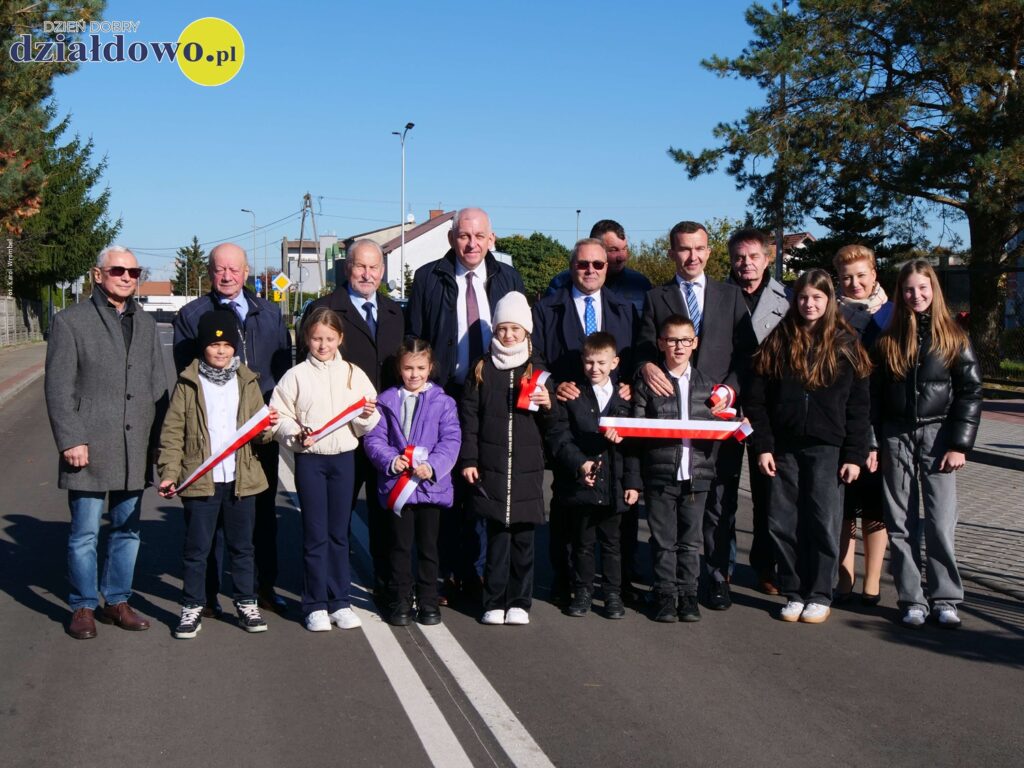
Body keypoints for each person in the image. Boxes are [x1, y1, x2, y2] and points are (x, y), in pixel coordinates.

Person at [45, 245, 169, 640]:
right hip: (89, 445)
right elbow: (58, 388)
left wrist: (158, 440)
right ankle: (83, 605)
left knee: (127, 529)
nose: (127, 277)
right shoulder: (71, 321)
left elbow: (156, 385)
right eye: (118, 270)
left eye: (134, 272)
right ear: (98, 275)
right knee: (85, 533)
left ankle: (116, 600)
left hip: (135, 445)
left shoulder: (145, 323)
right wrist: (71, 439)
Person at [406, 207, 526, 602]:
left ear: (492, 239)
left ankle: (476, 572)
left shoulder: (508, 278)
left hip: (493, 396)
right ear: (451, 239)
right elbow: (415, 338)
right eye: (463, 236)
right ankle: (442, 572)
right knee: (442, 485)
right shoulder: (428, 277)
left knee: (483, 483)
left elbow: (524, 337)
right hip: (445, 394)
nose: (471, 244)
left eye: (479, 236)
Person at [744, 269, 872, 624]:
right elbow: (756, 401)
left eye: (817, 297)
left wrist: (854, 455)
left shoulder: (846, 344)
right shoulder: (777, 341)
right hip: (783, 448)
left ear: (829, 301)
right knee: (782, 521)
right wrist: (763, 446)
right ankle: (794, 591)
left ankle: (819, 593)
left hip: (828, 448)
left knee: (822, 521)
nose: (809, 304)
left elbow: (859, 406)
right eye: (803, 297)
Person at [636, 221, 750, 609]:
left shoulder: (731, 296)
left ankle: (716, 577)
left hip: (718, 414)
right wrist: (645, 366)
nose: (692, 256)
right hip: (671, 416)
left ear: (709, 252)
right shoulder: (656, 298)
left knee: (718, 503)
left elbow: (746, 354)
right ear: (672, 253)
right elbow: (643, 346)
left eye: (699, 248)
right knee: (670, 509)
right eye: (684, 249)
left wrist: (730, 389)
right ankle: (669, 584)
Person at [173, 242, 292, 615]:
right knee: (209, 522)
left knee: (261, 515)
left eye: (234, 269)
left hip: (258, 435)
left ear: (246, 271)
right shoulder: (192, 315)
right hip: (210, 439)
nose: (227, 276)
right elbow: (185, 376)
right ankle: (207, 596)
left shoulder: (269, 313)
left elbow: (283, 371)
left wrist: (273, 416)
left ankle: (261, 589)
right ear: (210, 272)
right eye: (219, 269)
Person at [873, 259, 982, 629]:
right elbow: (873, 395)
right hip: (896, 435)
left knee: (939, 522)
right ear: (900, 293)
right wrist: (872, 442)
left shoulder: (954, 336)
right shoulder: (887, 339)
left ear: (933, 290)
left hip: (939, 437)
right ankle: (911, 599)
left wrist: (960, 444)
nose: (916, 295)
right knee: (900, 522)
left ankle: (945, 598)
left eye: (922, 288)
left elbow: (970, 391)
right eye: (908, 289)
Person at [157, 310, 279, 638]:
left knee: (243, 547)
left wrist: (268, 427)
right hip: (201, 479)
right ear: (203, 347)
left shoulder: (247, 381)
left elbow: (261, 433)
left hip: (241, 479)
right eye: (214, 344)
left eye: (226, 344)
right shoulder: (188, 383)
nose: (221, 350)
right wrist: (169, 472)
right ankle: (192, 605)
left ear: (235, 347)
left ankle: (246, 603)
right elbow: (173, 433)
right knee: (197, 549)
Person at [296, 239, 404, 604]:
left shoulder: (393, 311)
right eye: (360, 266)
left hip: (382, 432)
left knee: (384, 513)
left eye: (374, 268)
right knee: (333, 521)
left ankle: (386, 586)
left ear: (383, 272)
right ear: (347, 268)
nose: (367, 274)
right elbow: (305, 371)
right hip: (338, 435)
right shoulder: (325, 309)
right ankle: (327, 591)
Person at [532, 237, 636, 605]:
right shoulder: (546, 309)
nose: (590, 270)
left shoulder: (625, 309)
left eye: (598, 264)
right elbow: (536, 357)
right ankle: (568, 582)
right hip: (568, 420)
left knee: (617, 515)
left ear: (608, 267)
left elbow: (636, 357)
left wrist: (631, 384)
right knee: (568, 509)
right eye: (582, 264)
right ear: (571, 266)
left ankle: (617, 585)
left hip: (614, 423)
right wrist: (553, 385)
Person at [270, 307, 380, 632]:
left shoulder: (353, 374)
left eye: (329, 338)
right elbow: (279, 415)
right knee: (315, 533)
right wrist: (294, 434)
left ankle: (340, 601)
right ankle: (315, 604)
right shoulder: (296, 376)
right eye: (317, 338)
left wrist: (366, 416)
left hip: (344, 460)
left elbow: (369, 418)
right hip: (311, 461)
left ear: (340, 338)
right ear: (306, 338)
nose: (323, 345)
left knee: (338, 533)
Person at [459, 292, 553, 626]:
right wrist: (469, 459)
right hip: (492, 466)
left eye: (515, 329)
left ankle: (519, 602)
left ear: (526, 331)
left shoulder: (538, 371)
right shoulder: (482, 369)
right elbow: (469, 419)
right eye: (502, 328)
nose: (509, 335)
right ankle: (494, 600)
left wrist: (549, 405)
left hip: (526, 470)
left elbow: (552, 424)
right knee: (496, 539)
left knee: (524, 541)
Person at [625, 316, 719, 624]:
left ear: (695, 343)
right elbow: (636, 433)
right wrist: (636, 478)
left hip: (697, 475)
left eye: (685, 340)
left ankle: (688, 595)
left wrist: (738, 422)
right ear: (661, 343)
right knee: (663, 539)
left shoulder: (709, 386)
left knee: (691, 541)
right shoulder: (648, 384)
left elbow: (722, 423)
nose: (679, 346)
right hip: (660, 474)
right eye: (672, 340)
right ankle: (665, 594)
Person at [364, 338, 462, 626]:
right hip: (399, 488)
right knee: (400, 546)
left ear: (430, 368)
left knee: (429, 548)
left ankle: (429, 600)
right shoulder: (386, 401)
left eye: (420, 368)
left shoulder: (444, 402)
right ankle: (401, 599)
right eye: (408, 368)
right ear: (399, 368)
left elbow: (451, 439)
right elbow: (374, 438)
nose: (414, 374)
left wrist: (433, 466)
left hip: (430, 488)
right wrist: (391, 460)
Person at [545, 332, 635, 619]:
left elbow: (634, 447)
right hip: (582, 485)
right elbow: (560, 436)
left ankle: (612, 594)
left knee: (612, 544)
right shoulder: (573, 396)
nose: (594, 368)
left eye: (601, 362)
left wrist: (633, 483)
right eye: (589, 362)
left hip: (613, 486)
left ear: (614, 363)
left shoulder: (625, 398)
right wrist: (580, 465)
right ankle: (582, 591)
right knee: (582, 544)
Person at [723, 228, 790, 596]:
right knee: (723, 491)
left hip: (769, 410)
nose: (745, 263)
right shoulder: (718, 295)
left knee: (768, 493)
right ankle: (722, 564)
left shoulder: (788, 299)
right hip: (725, 403)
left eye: (753, 257)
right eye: (739, 257)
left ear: (768, 258)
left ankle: (767, 566)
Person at [834, 244, 894, 605]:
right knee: (844, 507)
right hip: (841, 424)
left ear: (874, 274)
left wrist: (875, 438)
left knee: (875, 508)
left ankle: (872, 584)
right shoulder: (831, 316)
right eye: (846, 277)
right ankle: (844, 580)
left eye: (861, 275)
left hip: (881, 423)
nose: (854, 283)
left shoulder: (891, 315)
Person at [546, 219, 652, 313]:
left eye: (624, 249)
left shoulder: (640, 285)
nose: (622, 257)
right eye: (613, 250)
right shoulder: (560, 284)